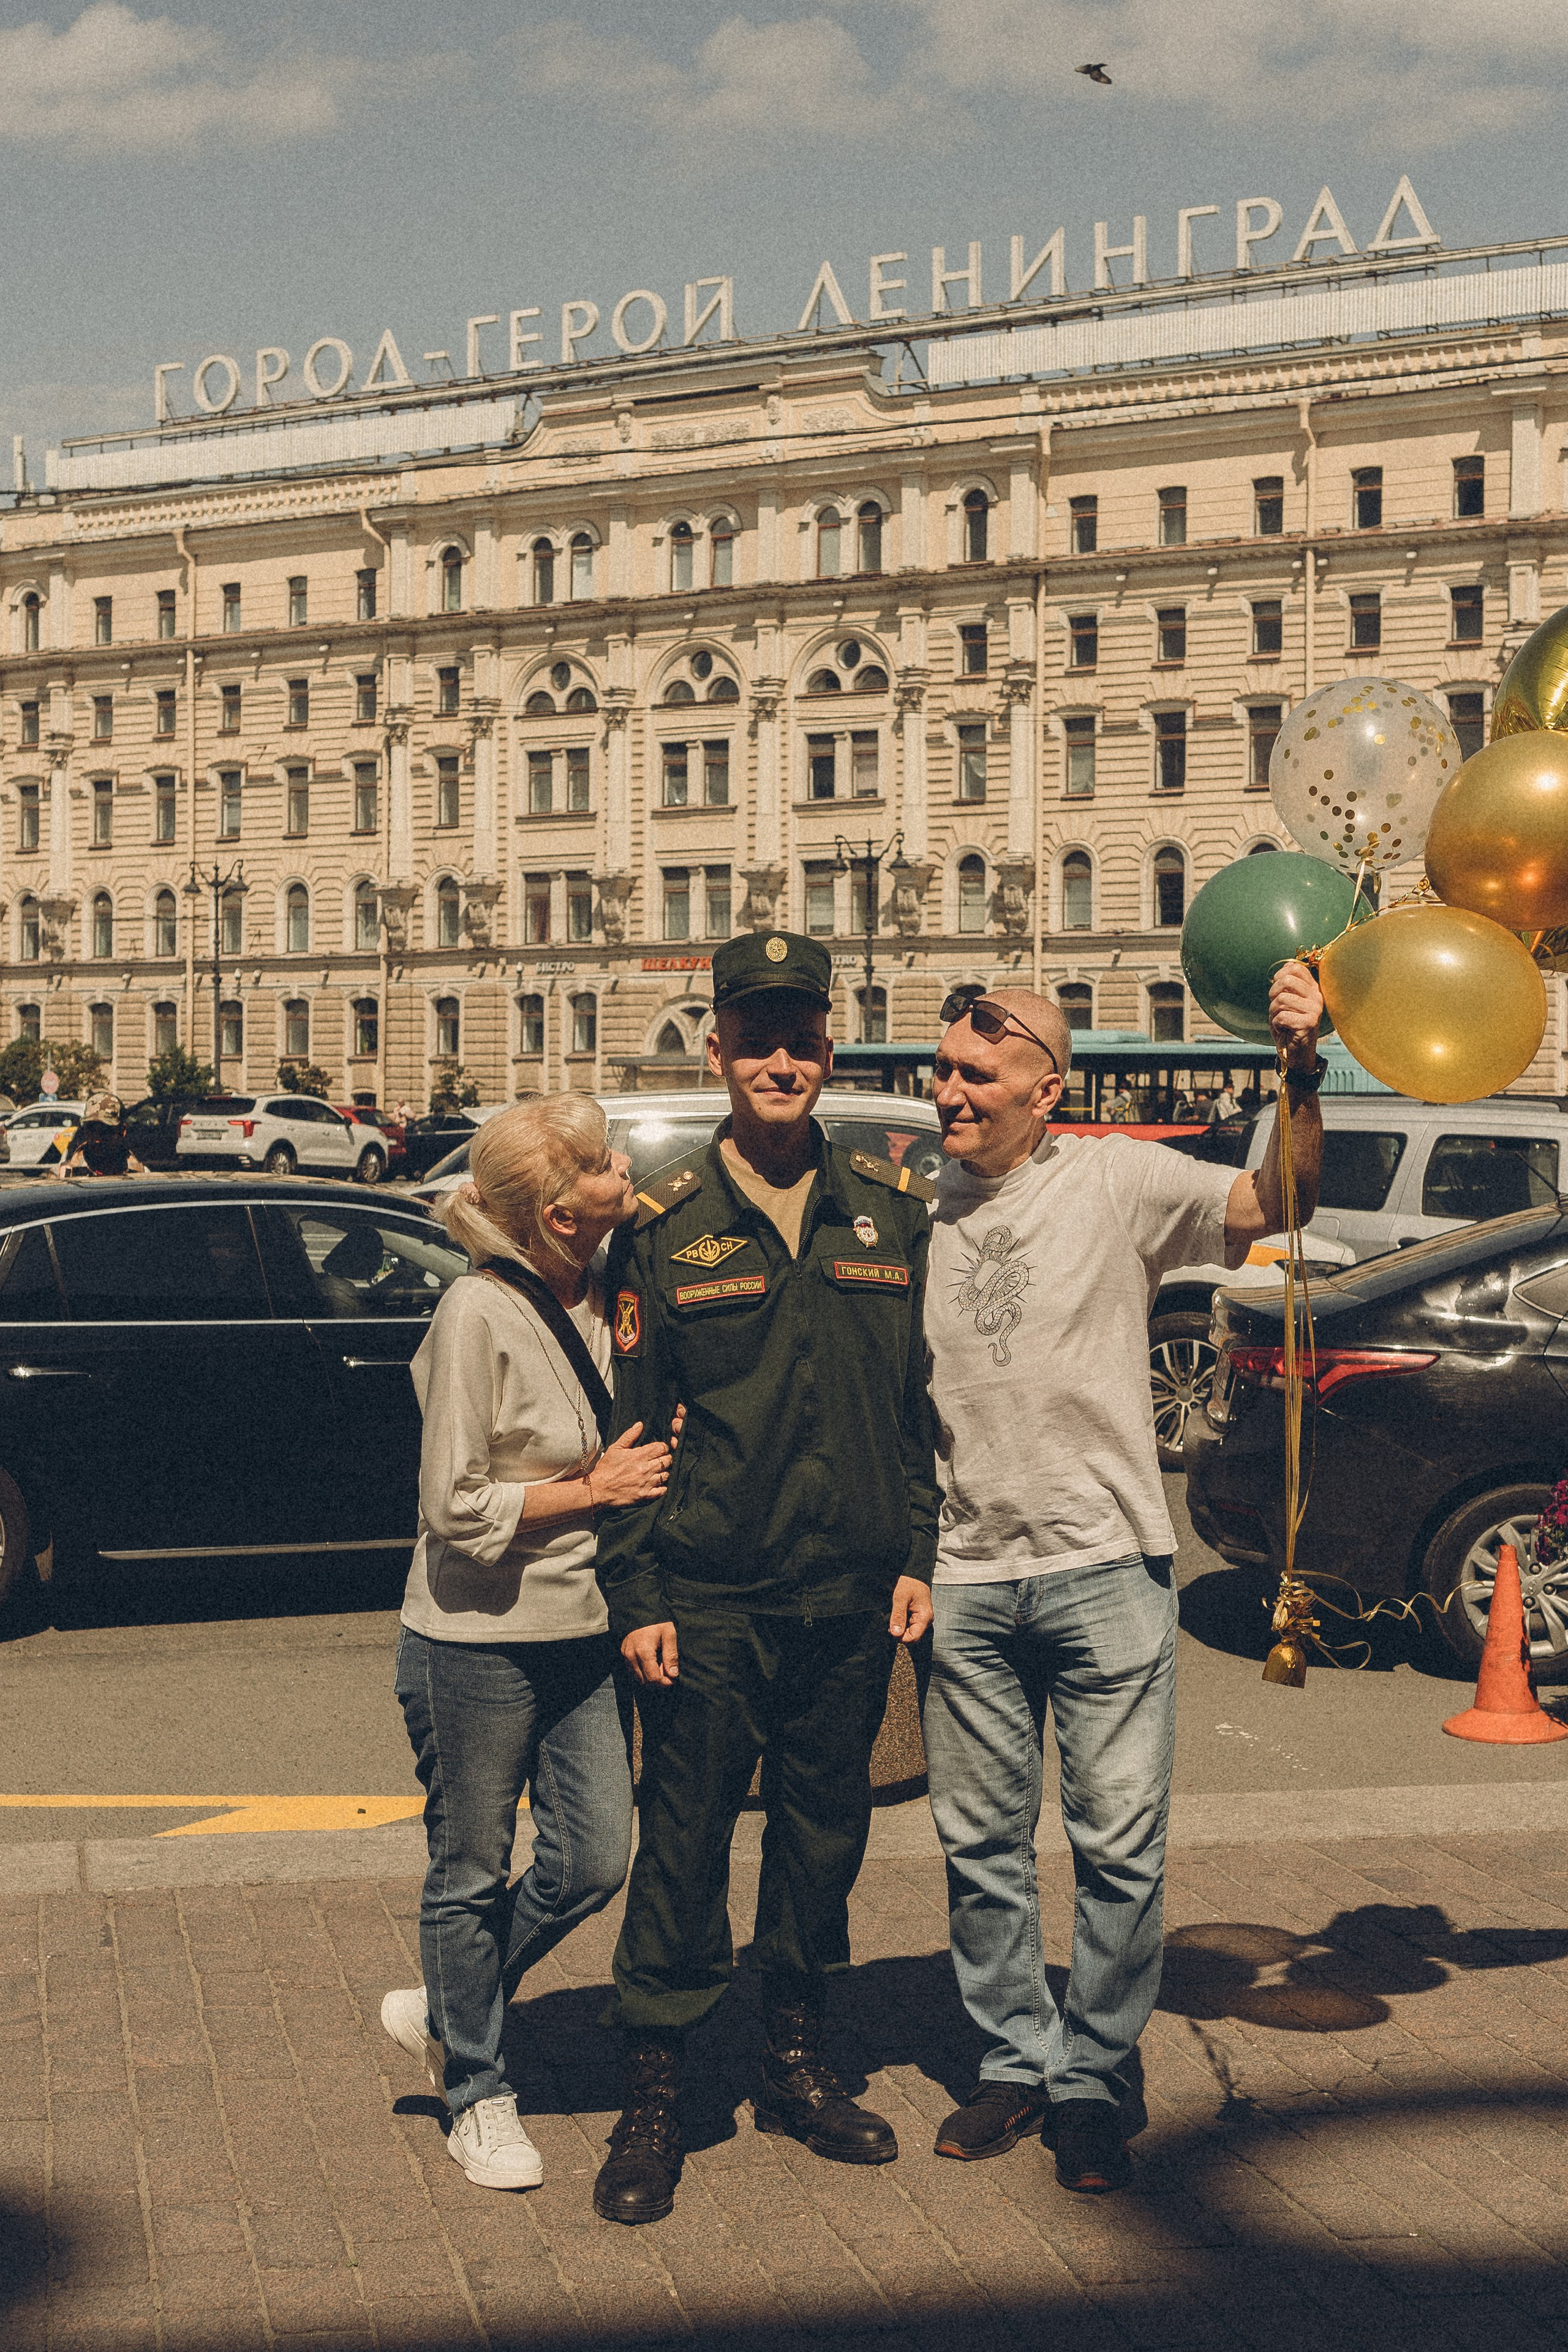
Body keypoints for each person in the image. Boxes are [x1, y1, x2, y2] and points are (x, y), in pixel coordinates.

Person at [919, 965, 1324, 2193]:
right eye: (943, 1070)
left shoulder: (1113, 1178)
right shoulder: (913, 1203)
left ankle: (1091, 2074)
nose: (948, 1092)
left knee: (1118, 1847)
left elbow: (1277, 1199)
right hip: (966, 1574)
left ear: (1046, 1090)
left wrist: (1299, 1072)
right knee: (982, 1846)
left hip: (1103, 1565)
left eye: (976, 1075)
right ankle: (1012, 2058)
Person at [590, 929, 940, 2226]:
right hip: (710, 1596)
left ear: (828, 1050)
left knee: (821, 1839)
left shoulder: (889, 1211)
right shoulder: (664, 1223)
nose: (779, 1061)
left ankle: (796, 2064)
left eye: (800, 1038)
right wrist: (637, 1596)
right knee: (682, 1847)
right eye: (756, 1038)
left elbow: (915, 1410)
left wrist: (917, 1552)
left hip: (848, 1592)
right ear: (717, 1048)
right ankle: (656, 2097)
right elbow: (633, 1430)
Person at [380, 1096, 673, 2192]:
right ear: (557, 1213)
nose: (623, 1170)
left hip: (582, 1628)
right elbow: (454, 1507)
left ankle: (449, 2005)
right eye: (601, 1165)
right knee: (469, 1868)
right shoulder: (476, 1311)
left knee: (594, 1858)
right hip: (474, 1638)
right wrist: (594, 1489)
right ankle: (476, 2094)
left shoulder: (612, 1290)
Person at [57, 1091, 144, 1177]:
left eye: (105, 1131)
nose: (97, 1139)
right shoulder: (66, 1173)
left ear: (122, 1131)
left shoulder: (139, 1174)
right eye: (91, 1129)